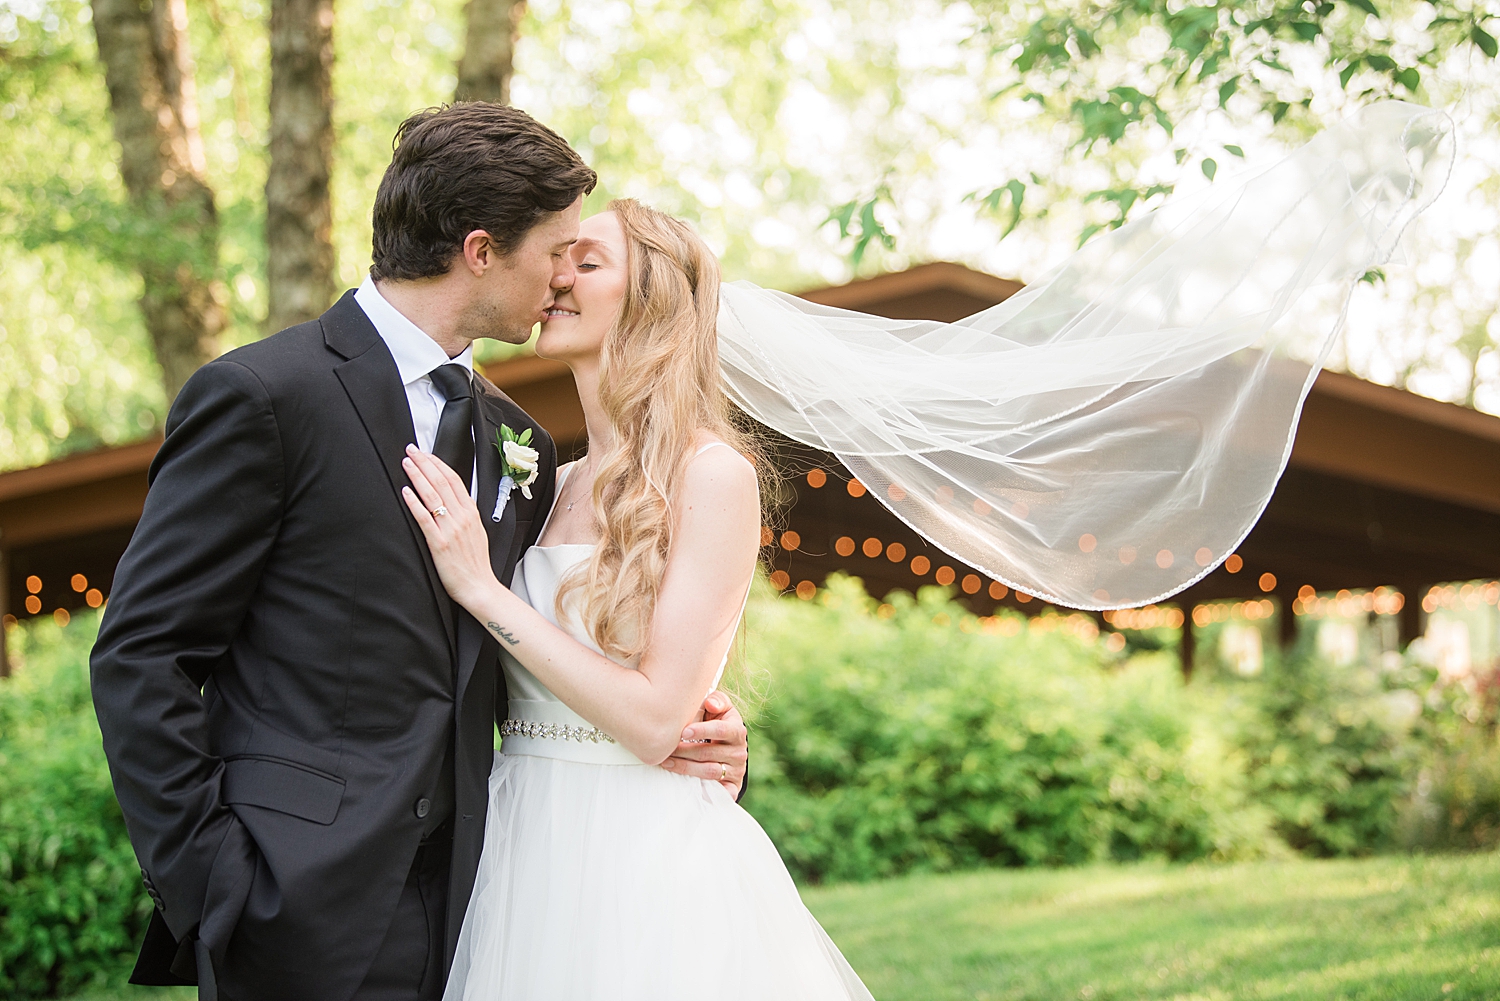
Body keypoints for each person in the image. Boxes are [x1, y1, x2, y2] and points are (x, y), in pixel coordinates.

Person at [89, 104, 750, 1001]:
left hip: (489, 899)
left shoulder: (518, 443)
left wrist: (692, 735)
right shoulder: (266, 396)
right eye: (557, 250)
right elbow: (143, 654)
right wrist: (217, 882)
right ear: (482, 250)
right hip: (297, 908)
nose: (561, 276)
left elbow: (550, 644)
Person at [402, 199, 874, 1000]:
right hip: (522, 833)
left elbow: (658, 718)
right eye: (561, 260)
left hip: (642, 853)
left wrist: (483, 590)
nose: (558, 278)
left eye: (588, 264)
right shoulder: (549, 479)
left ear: (651, 301)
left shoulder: (711, 474)